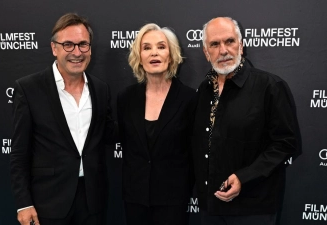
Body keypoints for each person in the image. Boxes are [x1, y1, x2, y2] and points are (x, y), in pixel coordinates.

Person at [10, 13, 116, 225]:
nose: (76, 52)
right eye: (68, 44)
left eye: (83, 45)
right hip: (47, 204)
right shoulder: (29, 89)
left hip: (92, 202)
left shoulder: (101, 89)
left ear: (90, 49)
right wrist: (24, 203)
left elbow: (108, 137)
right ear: (54, 48)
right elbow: (19, 153)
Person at [191, 17, 298, 225]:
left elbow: (286, 143)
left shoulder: (270, 86)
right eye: (214, 44)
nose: (223, 50)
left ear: (241, 45)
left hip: (253, 208)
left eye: (229, 41)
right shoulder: (204, 90)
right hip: (210, 208)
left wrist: (245, 178)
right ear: (206, 52)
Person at [117, 23, 196, 225]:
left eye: (161, 47)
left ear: (170, 55)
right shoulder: (126, 98)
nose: (154, 53)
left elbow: (194, 148)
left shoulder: (188, 98)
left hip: (173, 198)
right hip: (135, 197)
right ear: (139, 57)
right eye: (147, 48)